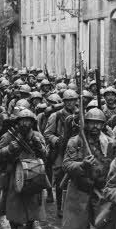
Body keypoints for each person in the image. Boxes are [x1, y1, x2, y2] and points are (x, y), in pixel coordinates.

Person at [62, 108, 116, 229]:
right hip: (80, 187)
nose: (95, 126)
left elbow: (114, 163)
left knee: (103, 224)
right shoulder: (75, 142)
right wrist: (82, 165)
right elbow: (66, 164)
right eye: (91, 122)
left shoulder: (108, 141)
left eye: (98, 123)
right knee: (79, 226)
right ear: (85, 123)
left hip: (100, 188)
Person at [0, 108, 49, 229]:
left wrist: (39, 147)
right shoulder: (9, 136)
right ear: (18, 122)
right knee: (14, 204)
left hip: (34, 173)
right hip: (14, 172)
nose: (25, 124)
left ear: (32, 122)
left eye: (28, 121)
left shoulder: (37, 135)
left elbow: (46, 155)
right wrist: (9, 149)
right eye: (23, 121)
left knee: (33, 204)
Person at [44, 89, 82, 217]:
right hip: (60, 150)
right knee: (60, 177)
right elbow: (47, 133)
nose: (71, 103)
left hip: (77, 149)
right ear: (64, 102)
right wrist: (56, 140)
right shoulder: (56, 116)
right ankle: (59, 207)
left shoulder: (81, 114)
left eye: (73, 100)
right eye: (68, 100)